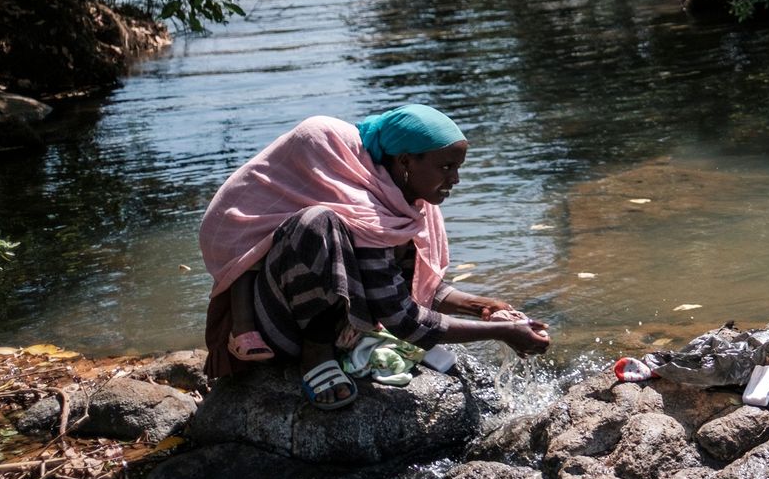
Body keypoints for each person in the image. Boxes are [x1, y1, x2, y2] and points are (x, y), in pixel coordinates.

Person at [199, 105, 550, 409]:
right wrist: (503, 333)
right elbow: (403, 318)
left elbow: (406, 285)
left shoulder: (407, 205)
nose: (455, 179)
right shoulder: (353, 197)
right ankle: (315, 357)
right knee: (316, 222)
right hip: (279, 328)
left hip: (344, 329)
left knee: (326, 225)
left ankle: (337, 344)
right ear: (405, 161)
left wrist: (483, 308)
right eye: (446, 167)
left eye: (457, 167)